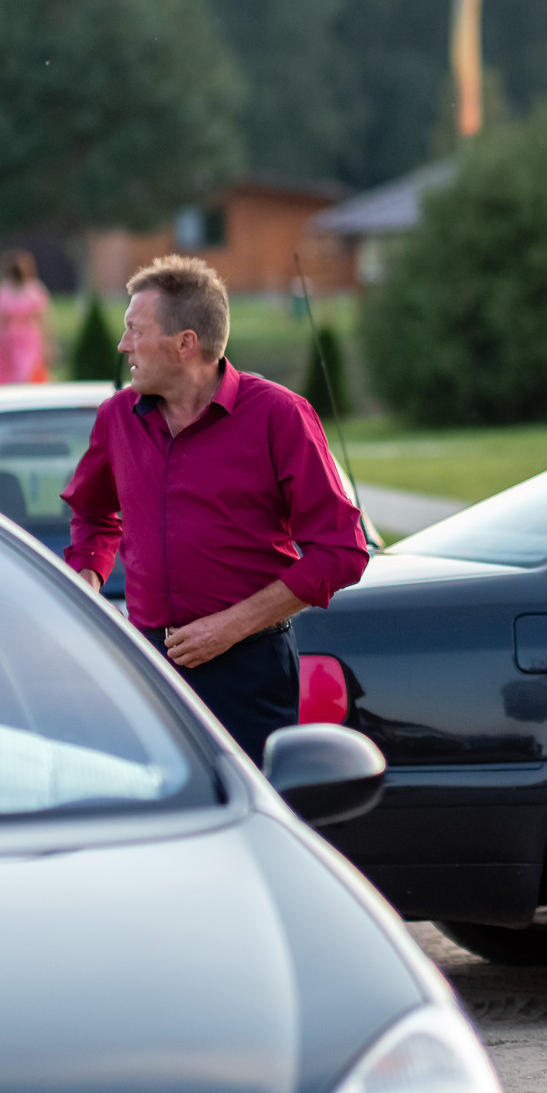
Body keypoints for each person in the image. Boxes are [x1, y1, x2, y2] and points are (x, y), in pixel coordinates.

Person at [63, 255, 369, 764]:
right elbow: (94, 514)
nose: (122, 346)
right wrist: (88, 583)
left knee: (248, 820)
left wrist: (229, 627)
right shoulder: (117, 416)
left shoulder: (280, 415)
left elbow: (342, 552)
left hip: (249, 670)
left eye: (135, 331)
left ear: (186, 343)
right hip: (149, 665)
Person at [0, 251, 57, 385]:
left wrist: (47, 346)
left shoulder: (33, 290)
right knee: (10, 378)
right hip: (10, 343)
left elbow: (43, 321)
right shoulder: (5, 291)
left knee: (26, 375)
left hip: (27, 342)